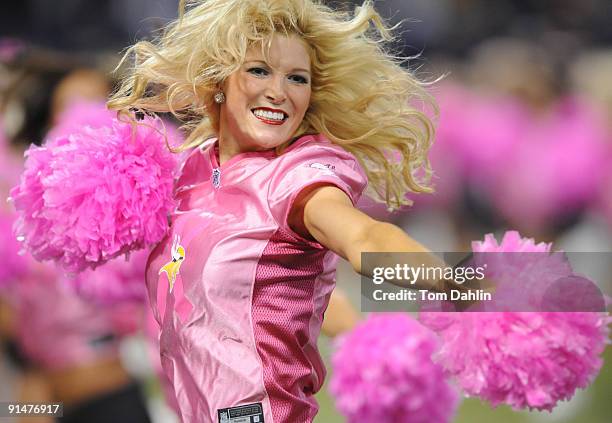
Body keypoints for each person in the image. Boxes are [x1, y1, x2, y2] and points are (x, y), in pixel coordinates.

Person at [108, 0, 453, 421]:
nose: (279, 90)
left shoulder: (299, 177)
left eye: (297, 78)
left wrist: (466, 287)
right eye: (259, 70)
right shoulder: (191, 170)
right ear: (219, 79)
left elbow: (366, 238)